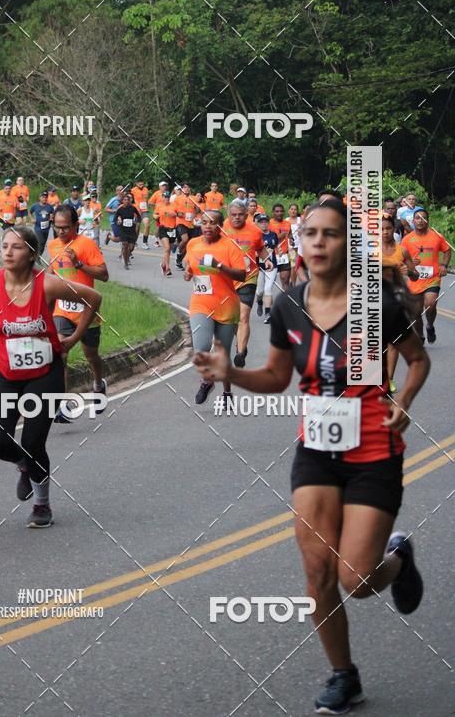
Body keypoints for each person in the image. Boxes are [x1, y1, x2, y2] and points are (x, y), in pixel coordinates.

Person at [194, 200, 430, 716]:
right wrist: (229, 373)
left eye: (330, 234)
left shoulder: (377, 305)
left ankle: (397, 558)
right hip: (317, 451)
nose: (319, 242)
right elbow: (277, 378)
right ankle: (343, 675)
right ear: (300, 243)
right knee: (317, 573)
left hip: (373, 449)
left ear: (348, 245)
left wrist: (403, 403)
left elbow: (417, 361)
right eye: (310, 234)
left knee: (357, 580)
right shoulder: (288, 305)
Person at [0, 224, 101, 527]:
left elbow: (93, 299)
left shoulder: (47, 285)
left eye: (17, 247)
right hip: (7, 375)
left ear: (32, 254)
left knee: (33, 441)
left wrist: (72, 340)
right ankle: (23, 465)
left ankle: (41, 503)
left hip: (45, 375)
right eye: (5, 246)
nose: (8, 252)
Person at [47, 204, 109, 422]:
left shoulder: (86, 244)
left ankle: (99, 383)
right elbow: (52, 273)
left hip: (86, 310)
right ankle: (62, 405)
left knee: (91, 355)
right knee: (61, 355)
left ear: (76, 225)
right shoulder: (53, 245)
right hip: (62, 310)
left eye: (65, 228)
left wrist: (79, 265)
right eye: (57, 227)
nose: (61, 232)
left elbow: (104, 275)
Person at [183, 210, 246, 407]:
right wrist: (188, 273)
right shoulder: (193, 243)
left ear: (220, 226)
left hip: (227, 305)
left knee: (223, 354)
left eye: (213, 223)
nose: (208, 226)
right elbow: (191, 267)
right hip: (201, 303)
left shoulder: (230, 246)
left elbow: (242, 275)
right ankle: (207, 381)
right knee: (201, 348)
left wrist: (221, 267)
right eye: (204, 222)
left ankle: (227, 392)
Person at [224, 201, 271, 367]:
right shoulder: (222, 228)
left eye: (240, 215)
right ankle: (241, 342)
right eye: (233, 215)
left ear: (246, 215)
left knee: (243, 316)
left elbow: (261, 249)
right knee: (233, 318)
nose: (237, 218)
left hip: (248, 277)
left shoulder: (255, 231)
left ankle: (240, 352)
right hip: (226, 279)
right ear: (228, 215)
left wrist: (267, 260)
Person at [401, 207, 450, 343]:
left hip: (432, 278)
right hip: (414, 280)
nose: (420, 221)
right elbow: (400, 258)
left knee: (430, 303)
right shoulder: (407, 240)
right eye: (417, 218)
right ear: (413, 221)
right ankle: (421, 336)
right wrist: (409, 261)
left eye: (423, 218)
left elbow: (447, 251)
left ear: (427, 220)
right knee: (415, 314)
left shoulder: (436, 236)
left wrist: (443, 265)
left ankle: (430, 325)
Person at [382, 213, 418, 393]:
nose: (385, 232)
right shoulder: (369, 251)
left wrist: (409, 272)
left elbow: (415, 274)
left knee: (393, 342)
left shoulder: (402, 250)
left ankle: (389, 379)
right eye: (381, 229)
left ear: (393, 230)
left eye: (388, 228)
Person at [254, 214, 279, 323]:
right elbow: (252, 251)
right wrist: (260, 254)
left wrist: (279, 251)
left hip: (272, 266)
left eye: (265, 221)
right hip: (259, 267)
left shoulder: (273, 235)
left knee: (268, 288)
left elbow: (276, 247)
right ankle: (259, 302)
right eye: (261, 222)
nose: (263, 223)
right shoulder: (255, 236)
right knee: (260, 291)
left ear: (268, 223)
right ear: (257, 223)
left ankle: (268, 314)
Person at [115, 193, 141, 269]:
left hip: (131, 230)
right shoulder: (120, 209)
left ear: (129, 201)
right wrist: (118, 221)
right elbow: (116, 218)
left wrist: (136, 221)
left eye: (127, 200)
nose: (126, 201)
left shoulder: (133, 208)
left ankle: (126, 256)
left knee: (131, 247)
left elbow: (139, 217)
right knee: (125, 244)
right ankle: (125, 263)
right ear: (122, 201)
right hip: (123, 229)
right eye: (125, 200)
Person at [174, 183, 197, 269]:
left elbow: (196, 209)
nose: (186, 189)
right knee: (185, 239)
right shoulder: (178, 198)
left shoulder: (193, 198)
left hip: (190, 223)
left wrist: (194, 216)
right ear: (182, 189)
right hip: (181, 222)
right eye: (184, 187)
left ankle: (179, 261)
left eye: (188, 187)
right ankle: (178, 251)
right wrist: (178, 213)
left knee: (188, 245)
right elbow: (174, 210)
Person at [155, 190, 178, 276]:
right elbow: (155, 214)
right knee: (167, 248)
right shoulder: (159, 206)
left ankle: (163, 264)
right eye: (165, 197)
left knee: (168, 250)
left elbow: (178, 214)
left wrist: (175, 214)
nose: (166, 198)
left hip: (172, 229)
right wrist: (155, 216)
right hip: (163, 228)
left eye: (168, 197)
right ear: (163, 198)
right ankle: (168, 268)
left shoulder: (174, 206)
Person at [269, 203, 291, 291]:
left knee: (285, 280)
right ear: (273, 212)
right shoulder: (269, 223)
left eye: (281, 211)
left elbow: (290, 236)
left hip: (284, 255)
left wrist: (292, 240)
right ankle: (262, 301)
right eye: (277, 211)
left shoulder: (287, 223)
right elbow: (267, 240)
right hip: (271, 255)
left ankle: (287, 301)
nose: (279, 213)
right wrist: (278, 237)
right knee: (269, 283)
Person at [29, 190, 55, 256]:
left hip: (46, 228)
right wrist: (32, 218)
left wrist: (51, 218)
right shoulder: (35, 206)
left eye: (46, 197)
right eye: (43, 197)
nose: (44, 198)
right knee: (41, 241)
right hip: (38, 228)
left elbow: (52, 214)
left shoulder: (50, 206)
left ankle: (38, 256)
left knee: (43, 244)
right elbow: (29, 212)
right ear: (40, 198)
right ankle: (36, 256)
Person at [130, 181, 150, 249]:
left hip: (144, 210)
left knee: (147, 224)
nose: (141, 185)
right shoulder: (133, 190)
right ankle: (134, 242)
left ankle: (145, 242)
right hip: (136, 211)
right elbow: (130, 200)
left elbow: (146, 199)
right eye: (140, 184)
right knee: (137, 228)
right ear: (136, 184)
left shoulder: (146, 189)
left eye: (142, 184)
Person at [287, 203, 301, 286]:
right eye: (291, 209)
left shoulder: (301, 220)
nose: (293, 211)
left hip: (300, 246)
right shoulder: (286, 220)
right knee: (292, 265)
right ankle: (292, 283)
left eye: (295, 209)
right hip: (289, 247)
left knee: (296, 266)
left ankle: (293, 282)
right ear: (288, 210)